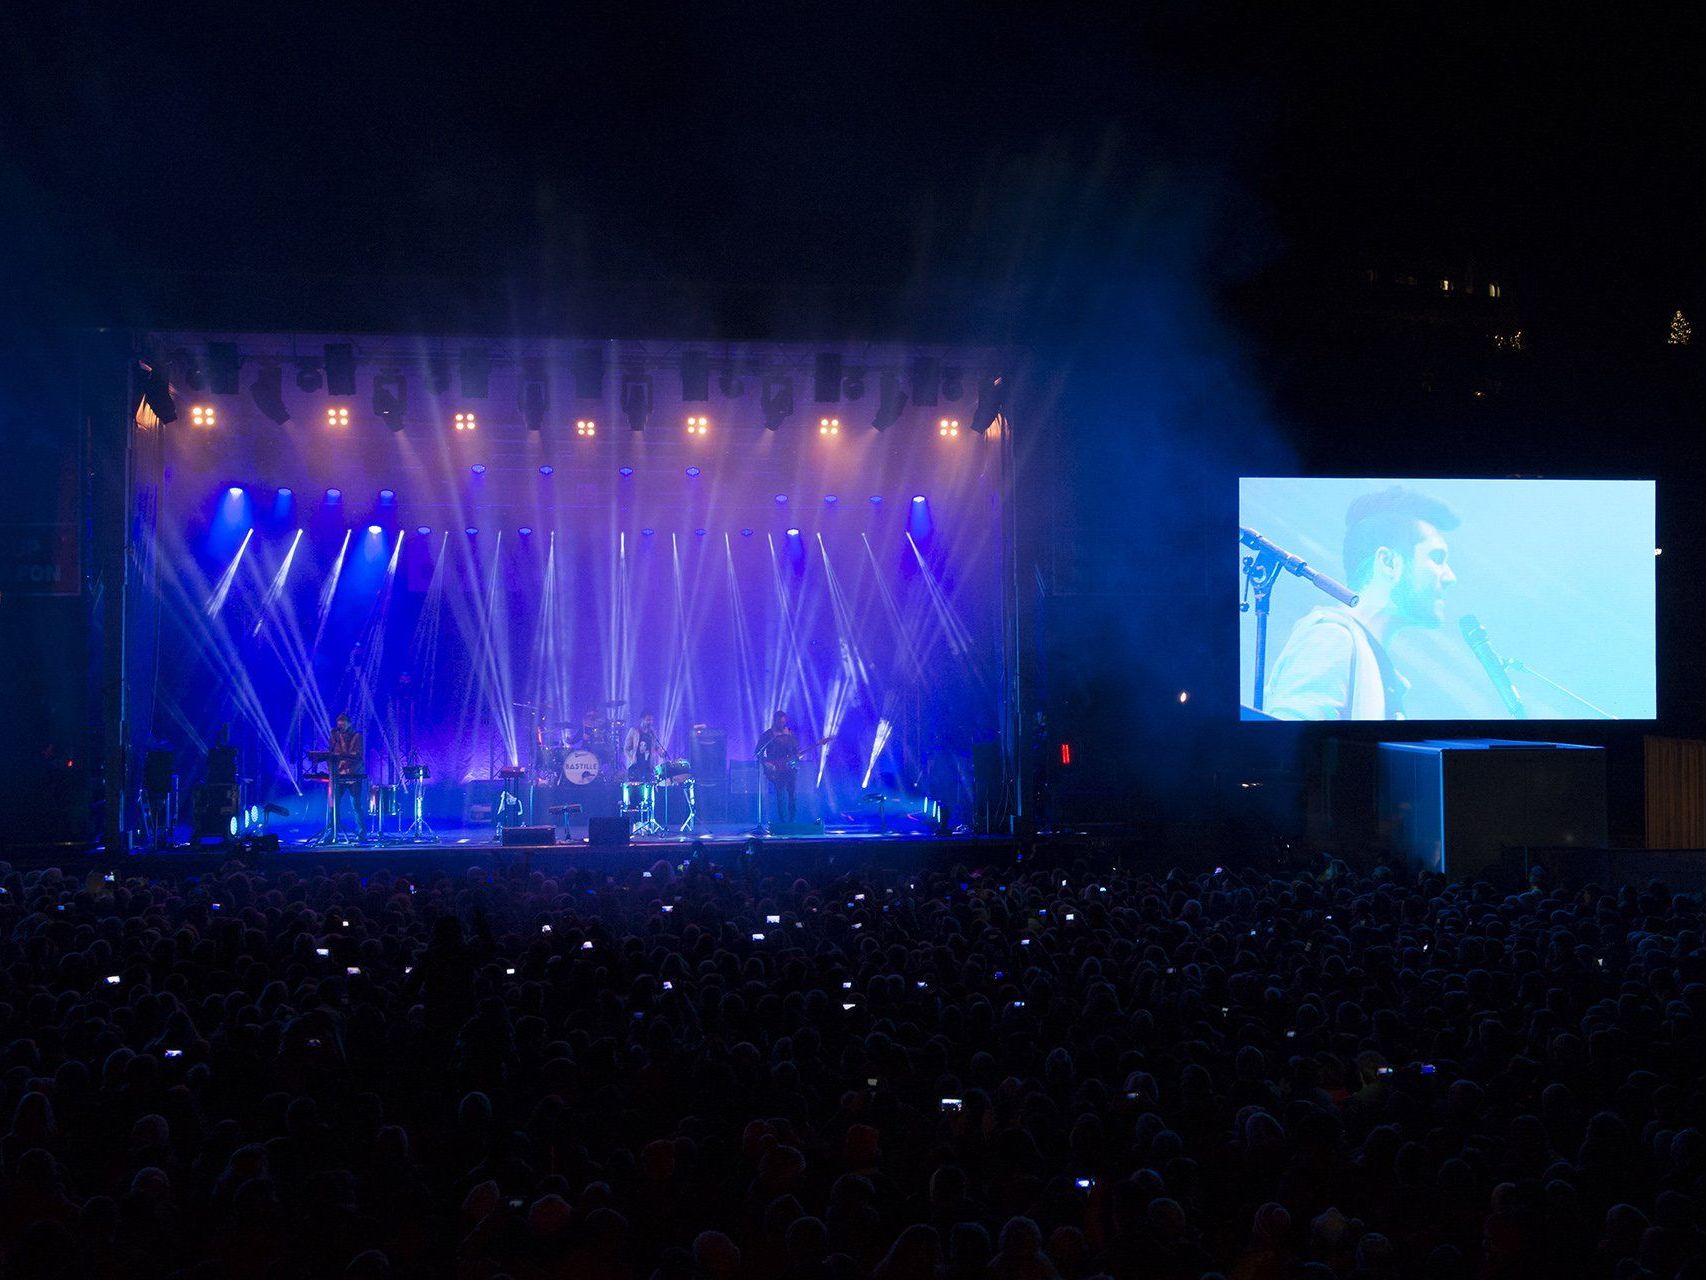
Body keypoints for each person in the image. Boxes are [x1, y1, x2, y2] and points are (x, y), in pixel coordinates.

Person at [1264, 486, 1458, 720]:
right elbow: (1294, 739)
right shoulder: (1332, 638)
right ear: (1388, 562)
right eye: (1437, 558)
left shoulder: (1367, 656)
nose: (1450, 577)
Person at [755, 711, 804, 825]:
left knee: (792, 795)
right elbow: (758, 753)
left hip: (790, 768)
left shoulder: (790, 735)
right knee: (780, 795)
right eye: (779, 722)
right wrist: (766, 764)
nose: (782, 724)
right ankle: (783, 822)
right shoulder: (768, 735)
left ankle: (792, 821)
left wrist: (795, 759)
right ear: (774, 721)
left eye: (783, 722)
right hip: (776, 769)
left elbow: (797, 752)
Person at [327, 711, 365, 837]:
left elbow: (357, 754)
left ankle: (361, 832)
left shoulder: (357, 736)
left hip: (353, 775)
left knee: (356, 804)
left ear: (349, 724)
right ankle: (332, 831)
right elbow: (330, 753)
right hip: (338, 775)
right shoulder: (335, 735)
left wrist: (342, 758)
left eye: (343, 724)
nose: (341, 727)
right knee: (334, 803)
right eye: (340, 724)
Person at [624, 711, 664, 782]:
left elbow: (656, 746)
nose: (650, 722)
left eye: (651, 720)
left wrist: (661, 753)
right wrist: (631, 758)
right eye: (648, 720)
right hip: (636, 766)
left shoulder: (652, 733)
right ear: (642, 720)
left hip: (648, 766)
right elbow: (626, 749)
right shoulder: (634, 731)